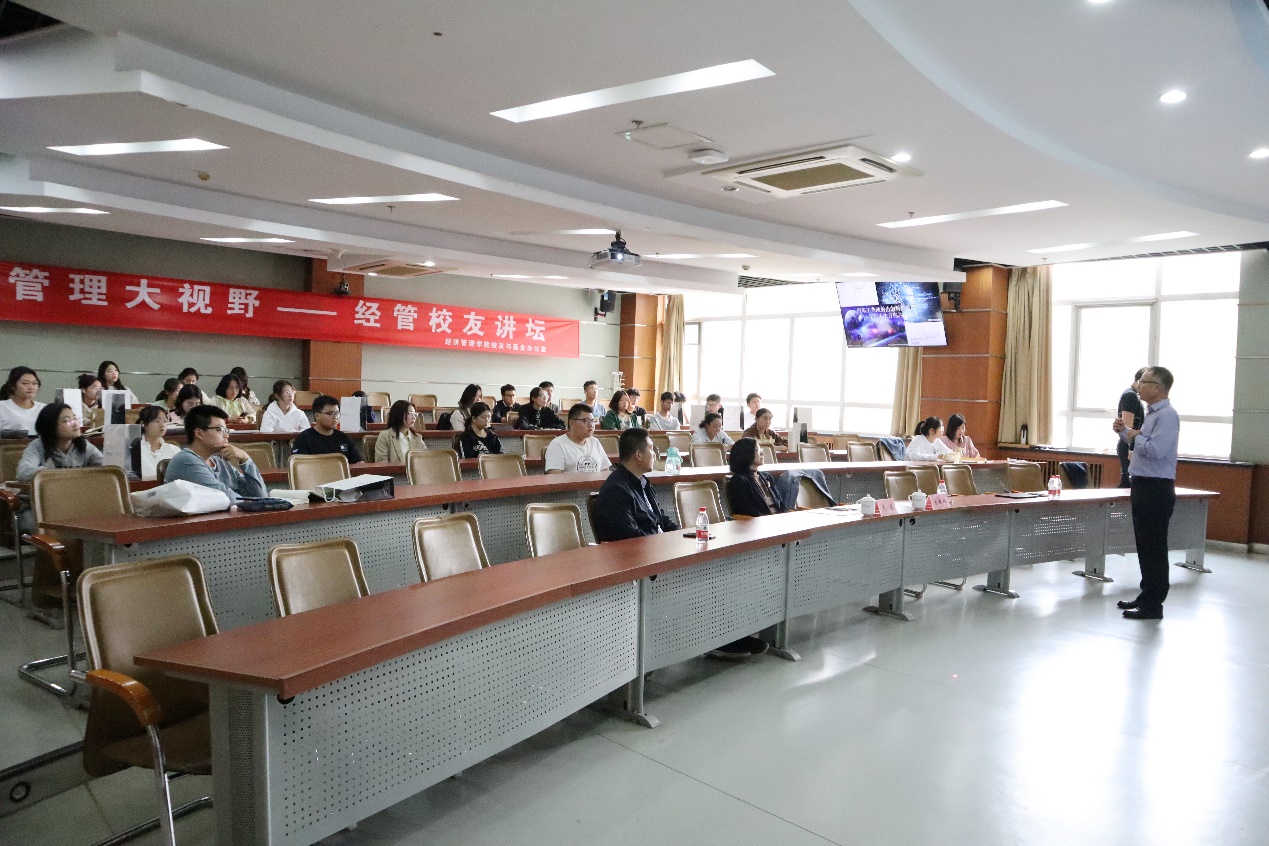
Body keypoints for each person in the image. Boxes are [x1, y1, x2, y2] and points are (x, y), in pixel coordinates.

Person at [1113, 366, 1180, 620]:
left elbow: (1156, 450)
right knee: (1144, 544)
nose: (1138, 385)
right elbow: (1141, 442)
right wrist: (1124, 432)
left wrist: (1133, 435)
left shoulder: (1167, 416)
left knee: (1154, 546)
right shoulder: (1152, 414)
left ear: (1157, 387)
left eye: (1143, 381)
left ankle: (1153, 604)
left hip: (1156, 488)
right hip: (1142, 484)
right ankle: (1146, 595)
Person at [15, 402, 103, 532]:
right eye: (67, 421)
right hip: (36, 505)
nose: (75, 424)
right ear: (51, 426)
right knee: (39, 528)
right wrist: (57, 475)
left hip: (72, 504)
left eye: (75, 419)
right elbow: (23, 472)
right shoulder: (37, 446)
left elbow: (106, 467)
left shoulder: (83, 445)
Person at [164, 405, 267, 502]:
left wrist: (245, 459)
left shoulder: (220, 462)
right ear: (199, 433)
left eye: (226, 430)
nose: (226, 435)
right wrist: (255, 503)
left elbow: (261, 496)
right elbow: (225, 497)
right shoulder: (186, 460)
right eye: (219, 430)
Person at [592, 428, 676, 542]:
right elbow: (631, 537)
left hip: (657, 544)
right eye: (651, 449)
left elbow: (660, 519)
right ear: (638, 454)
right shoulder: (616, 491)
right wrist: (662, 540)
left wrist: (680, 534)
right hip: (640, 550)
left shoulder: (643, 483)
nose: (655, 455)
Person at [291, 395, 363, 462]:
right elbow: (300, 465)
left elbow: (358, 462)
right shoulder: (304, 438)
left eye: (337, 413)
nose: (335, 417)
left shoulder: (343, 437)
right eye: (330, 413)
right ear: (317, 415)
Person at [544, 403, 611, 473]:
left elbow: (605, 470)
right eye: (586, 420)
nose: (591, 425)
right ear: (572, 423)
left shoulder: (594, 442)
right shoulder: (557, 444)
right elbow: (554, 476)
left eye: (592, 420)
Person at [1116, 368, 1147, 488]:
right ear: (1140, 381)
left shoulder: (1133, 395)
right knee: (1128, 484)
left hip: (1132, 445)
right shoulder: (1130, 396)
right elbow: (1127, 428)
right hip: (1129, 447)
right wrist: (1147, 432)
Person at [132, 405, 182, 481]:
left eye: (165, 421)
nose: (162, 425)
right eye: (157, 421)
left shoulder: (174, 450)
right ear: (143, 424)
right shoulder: (134, 449)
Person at [0, 366, 46, 435]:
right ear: (13, 386)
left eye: (34, 383)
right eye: (25, 383)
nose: (31, 387)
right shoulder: (2, 407)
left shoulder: (43, 408)